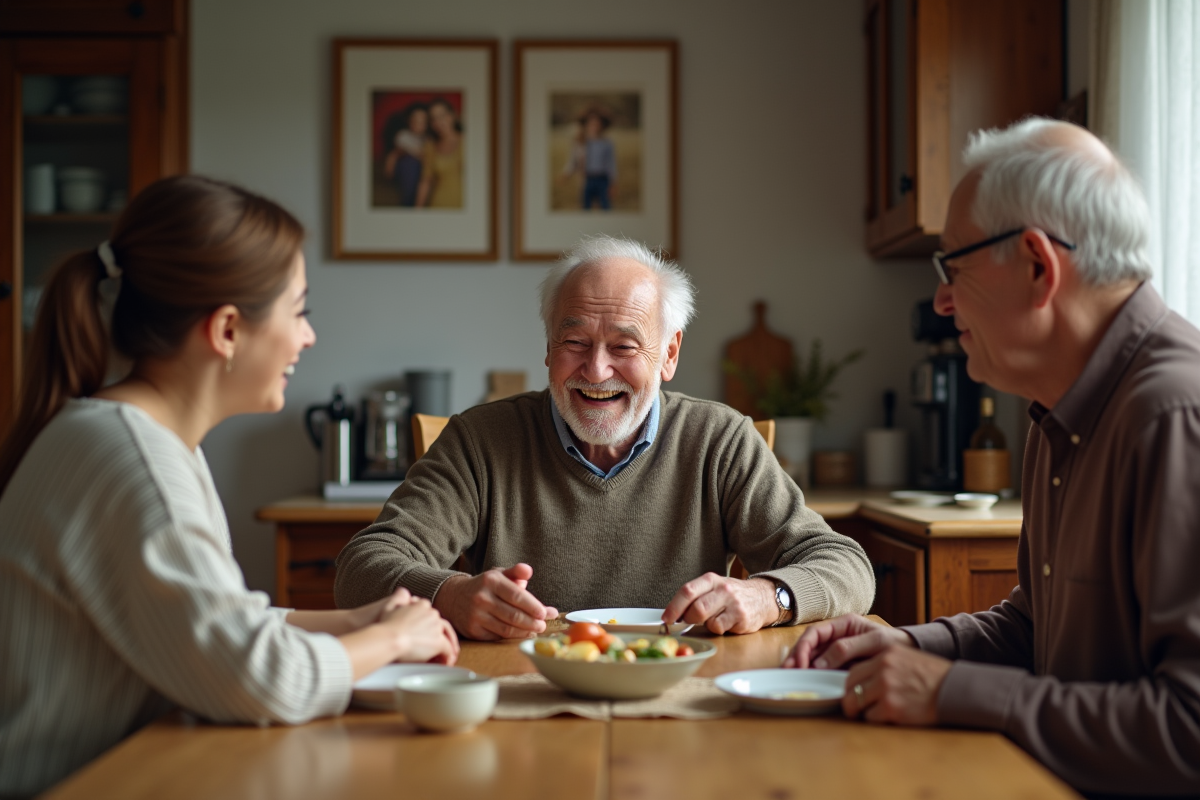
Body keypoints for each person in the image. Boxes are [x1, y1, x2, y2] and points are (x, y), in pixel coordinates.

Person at [0, 175, 459, 798]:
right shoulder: (135, 462)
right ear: (226, 331)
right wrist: (392, 638)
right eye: (298, 311)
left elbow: (218, 624)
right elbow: (259, 675)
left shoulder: (133, 439)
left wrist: (355, 620)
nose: (308, 336)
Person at [784, 119, 1200, 797]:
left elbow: (1189, 730)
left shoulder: (1174, 417)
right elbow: (1036, 631)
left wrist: (951, 692)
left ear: (1038, 265)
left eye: (953, 266)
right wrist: (912, 648)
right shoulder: (1056, 412)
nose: (942, 300)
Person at [335, 234, 874, 641]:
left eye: (624, 346)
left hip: (684, 695)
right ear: (547, 348)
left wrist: (768, 595)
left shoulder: (720, 440)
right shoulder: (481, 440)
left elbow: (846, 565)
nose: (595, 371)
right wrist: (449, 595)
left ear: (669, 354)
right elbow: (362, 567)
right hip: (522, 691)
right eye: (574, 340)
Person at [560, 108, 617, 210]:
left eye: (597, 123)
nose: (594, 126)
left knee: (605, 206)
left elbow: (611, 164)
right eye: (591, 123)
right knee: (585, 207)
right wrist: (566, 174)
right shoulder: (580, 143)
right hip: (587, 180)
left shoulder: (607, 143)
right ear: (586, 125)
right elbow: (573, 161)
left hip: (602, 179)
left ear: (602, 125)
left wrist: (612, 183)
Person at [416, 97, 463, 209]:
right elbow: (426, 181)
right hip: (438, 205)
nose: (438, 122)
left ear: (453, 115)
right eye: (434, 119)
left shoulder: (468, 142)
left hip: (465, 207)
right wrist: (417, 213)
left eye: (442, 116)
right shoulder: (430, 146)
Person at [382, 102, 429, 207]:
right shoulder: (403, 135)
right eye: (415, 120)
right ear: (409, 121)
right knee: (410, 162)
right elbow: (414, 153)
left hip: (423, 172)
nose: (418, 124)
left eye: (422, 121)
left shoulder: (428, 139)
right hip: (406, 171)